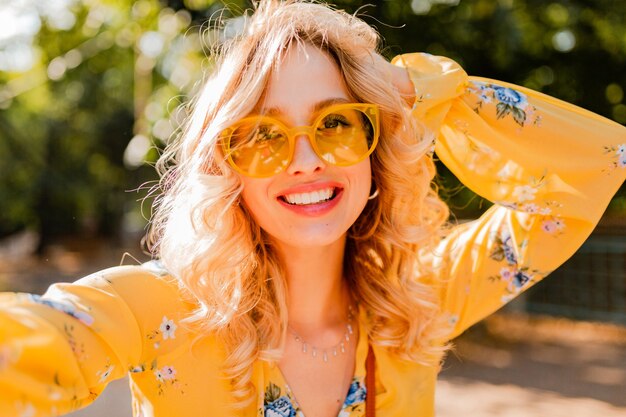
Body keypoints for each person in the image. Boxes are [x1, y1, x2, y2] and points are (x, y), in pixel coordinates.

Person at [1, 1, 625, 416]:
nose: (305, 161)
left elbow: (593, 167)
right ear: (227, 168)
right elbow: (32, 343)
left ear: (375, 149)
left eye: (337, 124)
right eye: (263, 135)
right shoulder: (158, 311)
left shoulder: (418, 303)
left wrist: (425, 90)